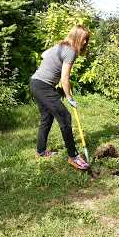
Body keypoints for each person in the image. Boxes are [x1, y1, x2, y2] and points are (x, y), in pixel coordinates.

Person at [30, 25, 90, 170]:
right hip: (43, 86)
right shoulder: (71, 52)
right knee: (65, 117)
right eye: (83, 39)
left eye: (87, 39)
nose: (85, 42)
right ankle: (73, 156)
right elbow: (65, 78)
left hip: (35, 82)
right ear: (76, 37)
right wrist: (69, 97)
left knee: (47, 117)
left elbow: (44, 54)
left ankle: (41, 152)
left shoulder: (60, 46)